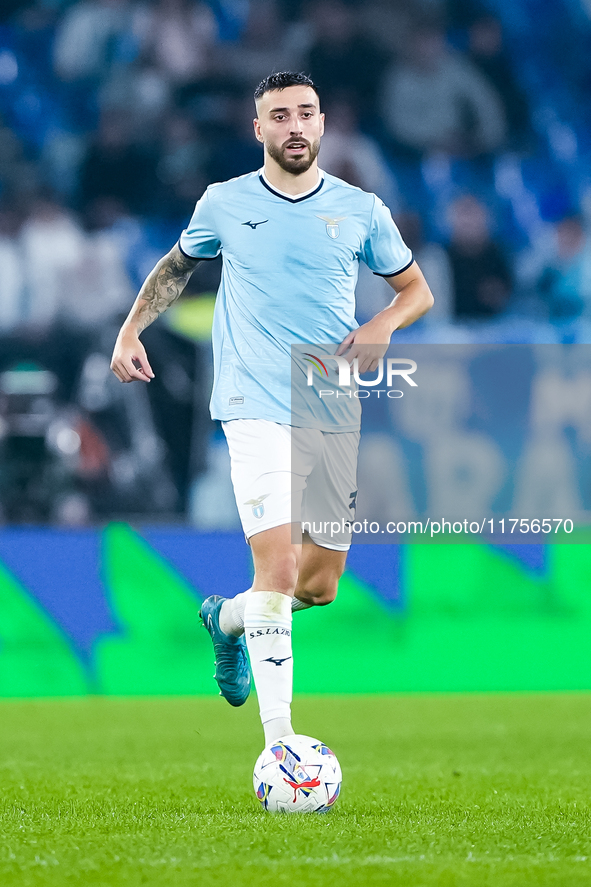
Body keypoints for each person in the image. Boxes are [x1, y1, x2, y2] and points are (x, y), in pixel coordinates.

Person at [110, 72, 433, 746]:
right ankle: (281, 744)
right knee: (278, 569)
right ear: (258, 129)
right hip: (251, 401)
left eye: (305, 113)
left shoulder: (360, 208)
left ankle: (227, 618)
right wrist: (129, 329)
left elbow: (414, 290)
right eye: (278, 115)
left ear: (321, 125)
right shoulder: (224, 203)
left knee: (317, 586)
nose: (293, 125)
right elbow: (176, 265)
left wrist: (383, 326)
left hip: (328, 401)